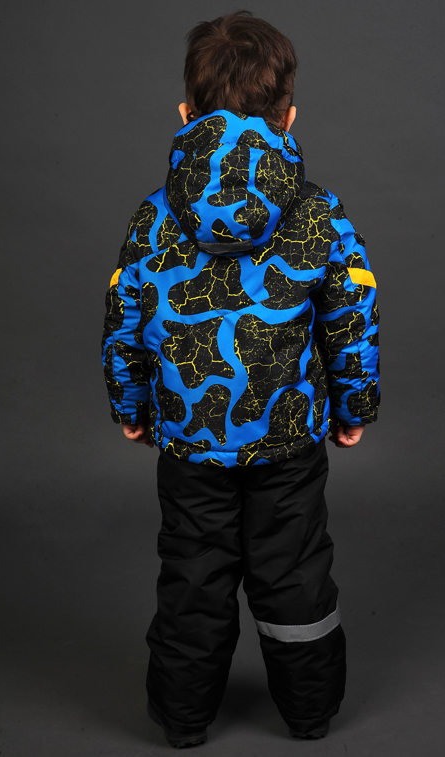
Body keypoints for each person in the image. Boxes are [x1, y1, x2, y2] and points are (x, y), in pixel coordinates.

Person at [101, 10, 380, 749]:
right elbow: (352, 313)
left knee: (193, 576)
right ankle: (310, 713)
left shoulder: (153, 219)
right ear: (289, 116)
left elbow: (126, 316)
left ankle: (184, 718)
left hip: (190, 440)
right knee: (294, 572)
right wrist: (353, 406)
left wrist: (132, 404)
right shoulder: (318, 213)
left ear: (185, 114)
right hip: (288, 439)